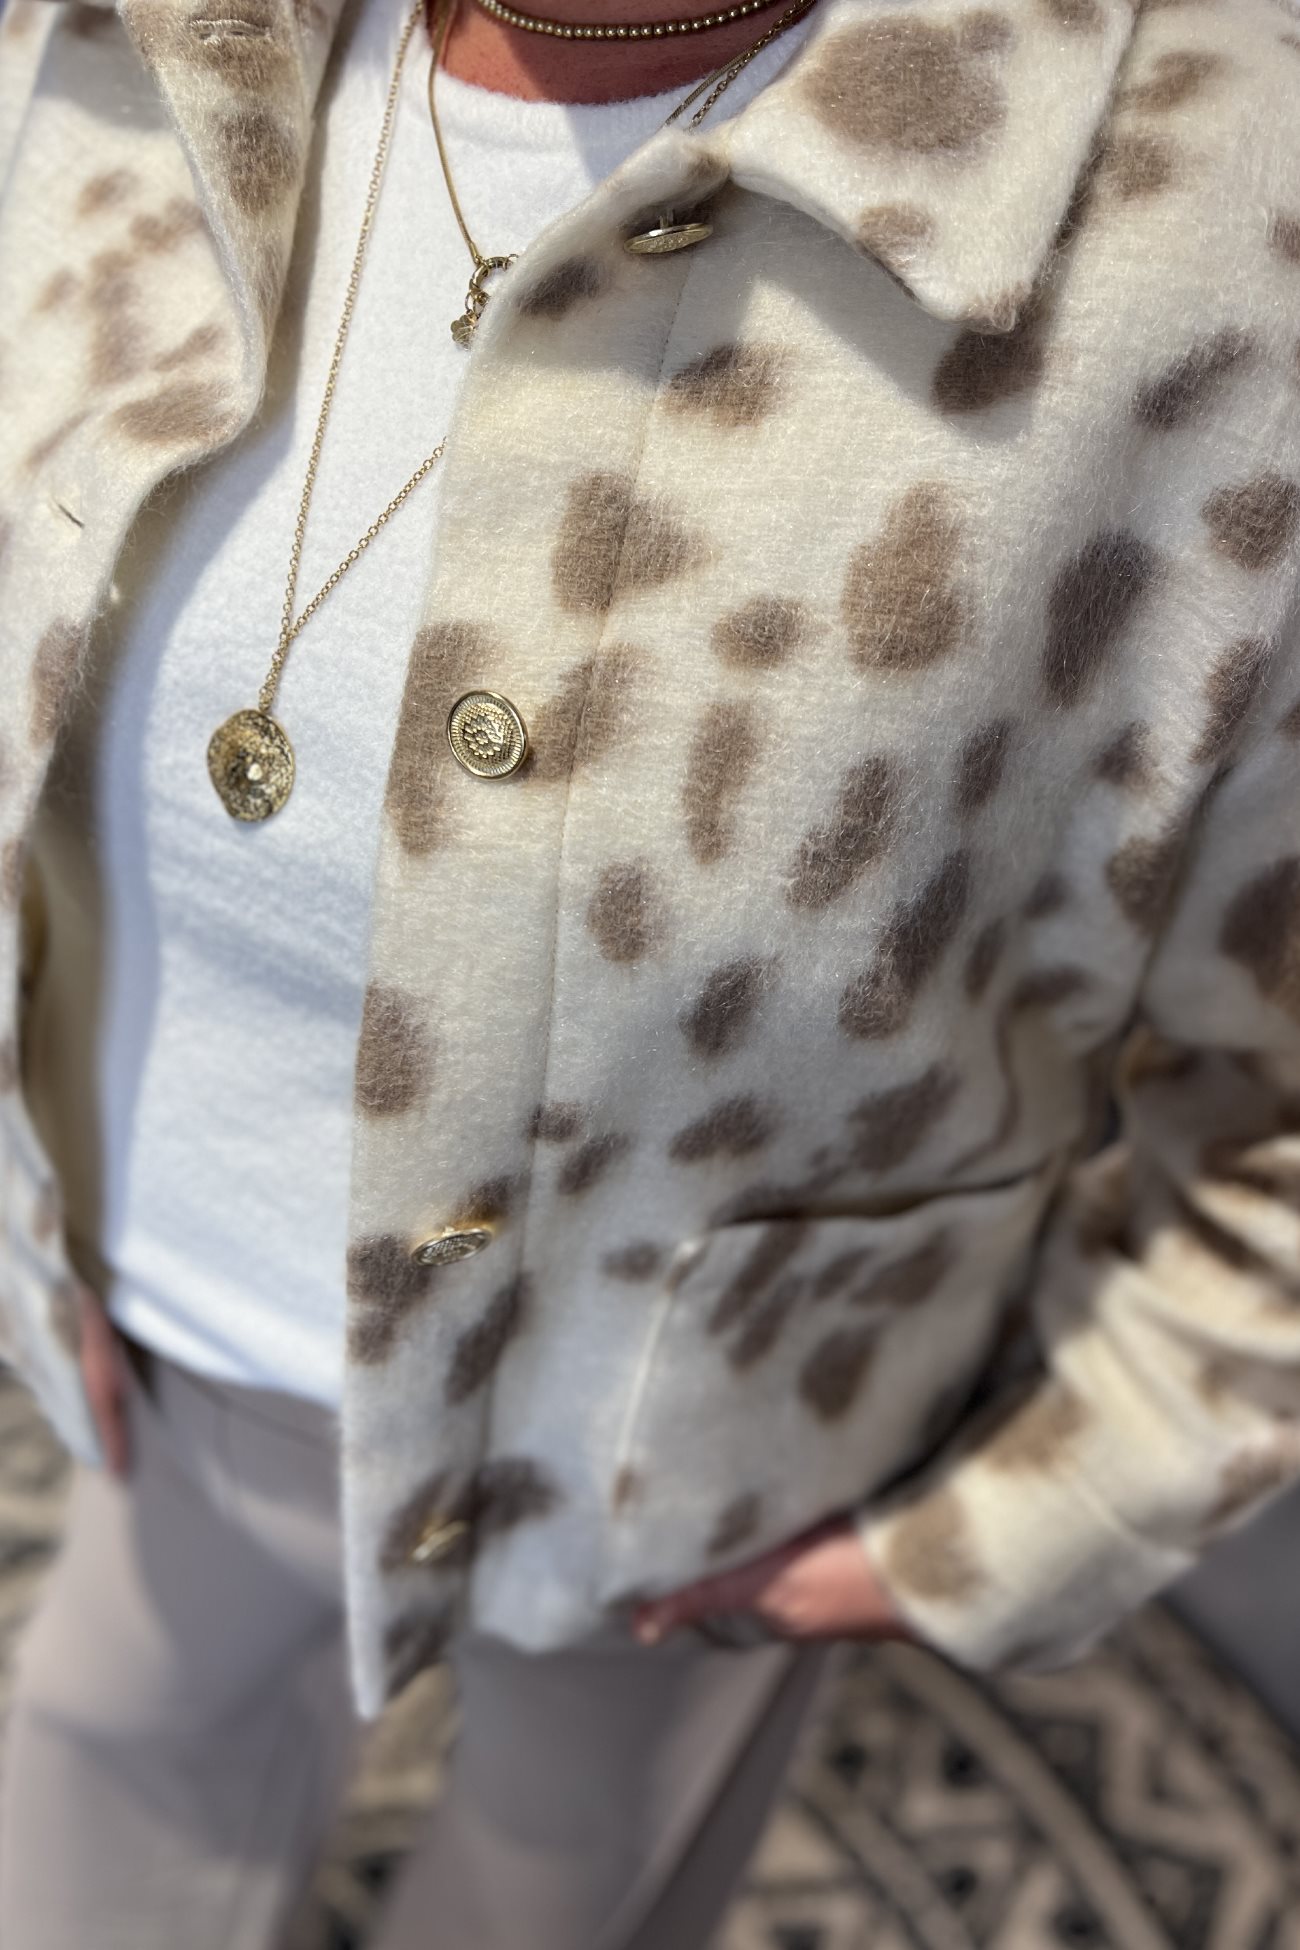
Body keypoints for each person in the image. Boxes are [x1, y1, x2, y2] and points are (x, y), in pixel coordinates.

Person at [0, 0, 1298, 1938]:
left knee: (568, 1894)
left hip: (696, 1467)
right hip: (162, 1340)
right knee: (101, 1796)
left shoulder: (1222, 228)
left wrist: (1053, 1498)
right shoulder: (118, 41)